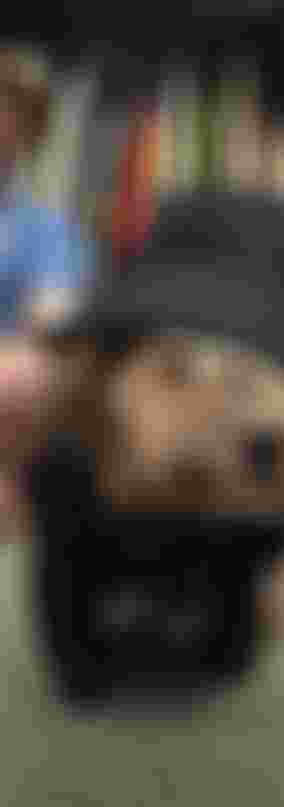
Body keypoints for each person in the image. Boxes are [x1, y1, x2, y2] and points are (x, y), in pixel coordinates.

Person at [0, 47, 90, 522]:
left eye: (9, 113)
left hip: (9, 386)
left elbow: (53, 317)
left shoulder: (46, 231)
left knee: (23, 374)